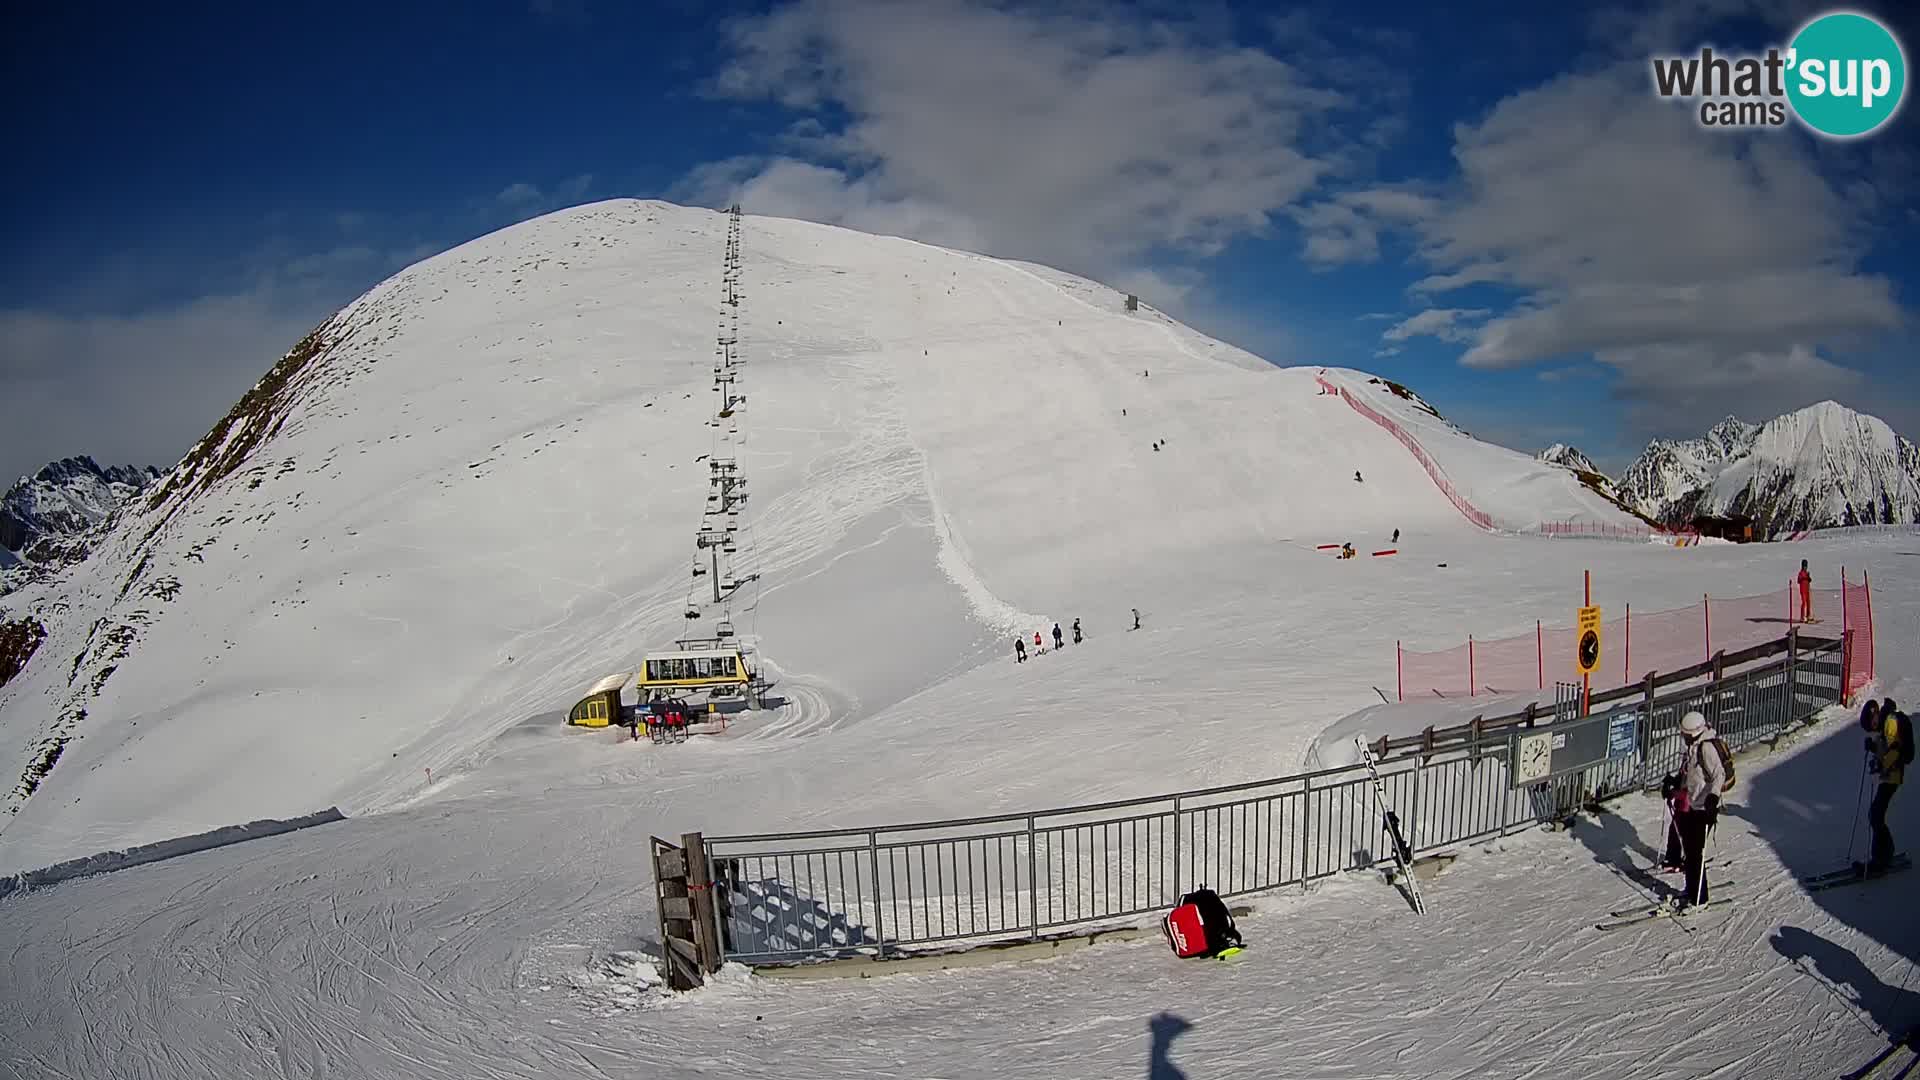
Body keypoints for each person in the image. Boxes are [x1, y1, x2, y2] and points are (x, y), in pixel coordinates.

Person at [1664, 711, 1727, 911]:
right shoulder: (1692, 747)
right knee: (1689, 851)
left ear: (1693, 733)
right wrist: (1673, 783)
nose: (1683, 737)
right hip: (1692, 805)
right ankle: (1691, 889)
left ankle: (1700, 899)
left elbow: (1719, 775)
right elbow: (1689, 774)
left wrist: (1713, 798)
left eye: (1685, 734)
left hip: (1703, 808)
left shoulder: (1706, 748)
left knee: (1695, 853)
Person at [1866, 697, 1909, 873]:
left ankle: (1882, 857)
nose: (1873, 728)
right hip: (1888, 776)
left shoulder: (1890, 722)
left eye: (1872, 725)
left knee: (1876, 815)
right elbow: (1885, 748)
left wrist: (1880, 765)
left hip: (1893, 776)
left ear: (1875, 714)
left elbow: (1896, 750)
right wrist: (1874, 749)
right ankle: (1883, 854)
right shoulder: (1885, 722)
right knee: (1876, 815)